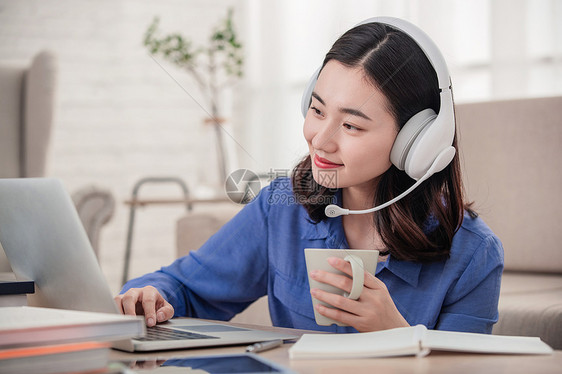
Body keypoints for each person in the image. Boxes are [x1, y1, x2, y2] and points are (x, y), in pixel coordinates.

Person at [115, 18, 503, 334]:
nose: (320, 139)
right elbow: (187, 287)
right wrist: (151, 295)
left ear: (416, 142)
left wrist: (396, 333)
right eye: (317, 111)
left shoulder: (474, 254)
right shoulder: (282, 207)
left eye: (351, 126)